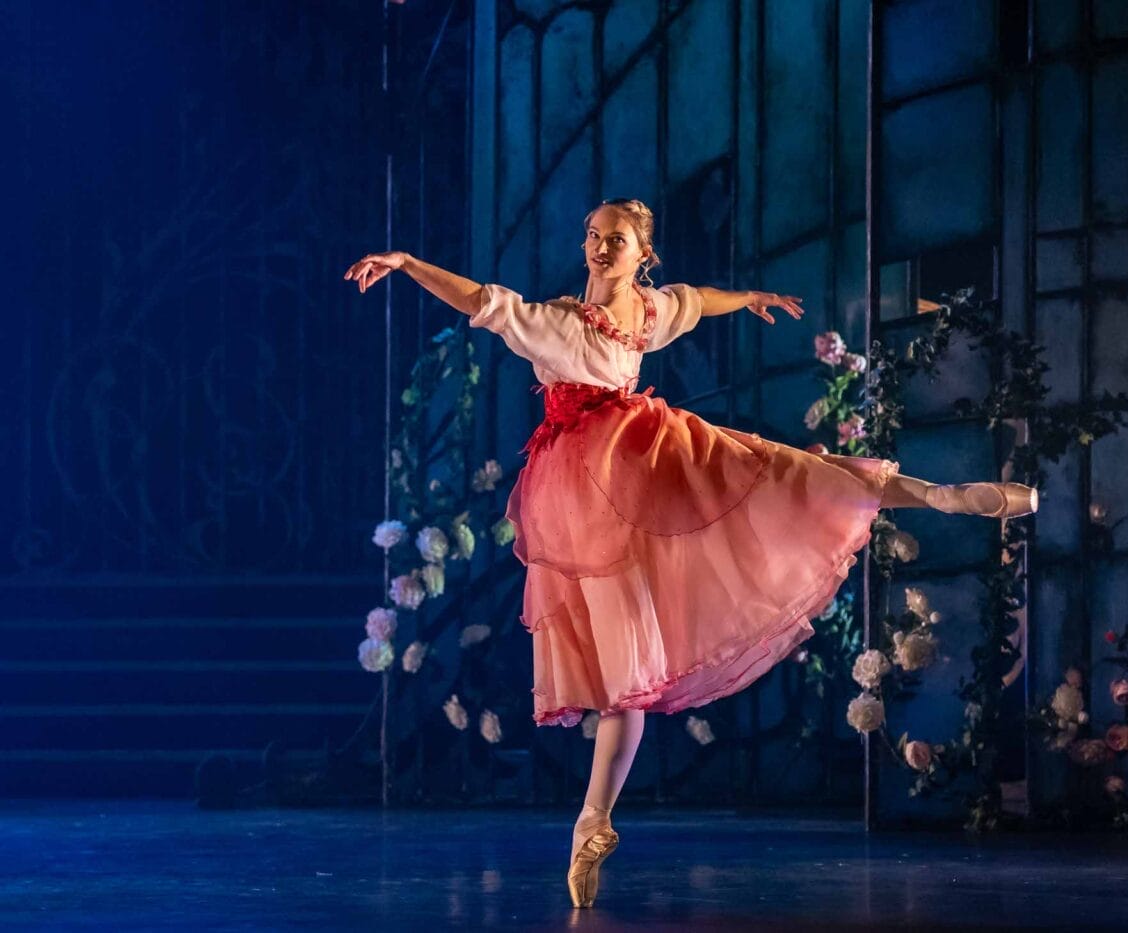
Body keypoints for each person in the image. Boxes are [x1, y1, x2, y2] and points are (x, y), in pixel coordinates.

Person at [344, 198, 1036, 908]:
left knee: (783, 472)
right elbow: (485, 299)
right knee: (625, 680)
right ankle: (593, 822)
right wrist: (407, 264)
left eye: (616, 240)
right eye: (593, 237)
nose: (600, 248)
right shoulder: (557, 323)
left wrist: (749, 298)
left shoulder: (644, 312)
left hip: (643, 474)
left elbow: (695, 301)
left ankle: (938, 494)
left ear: (643, 253)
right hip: (600, 505)